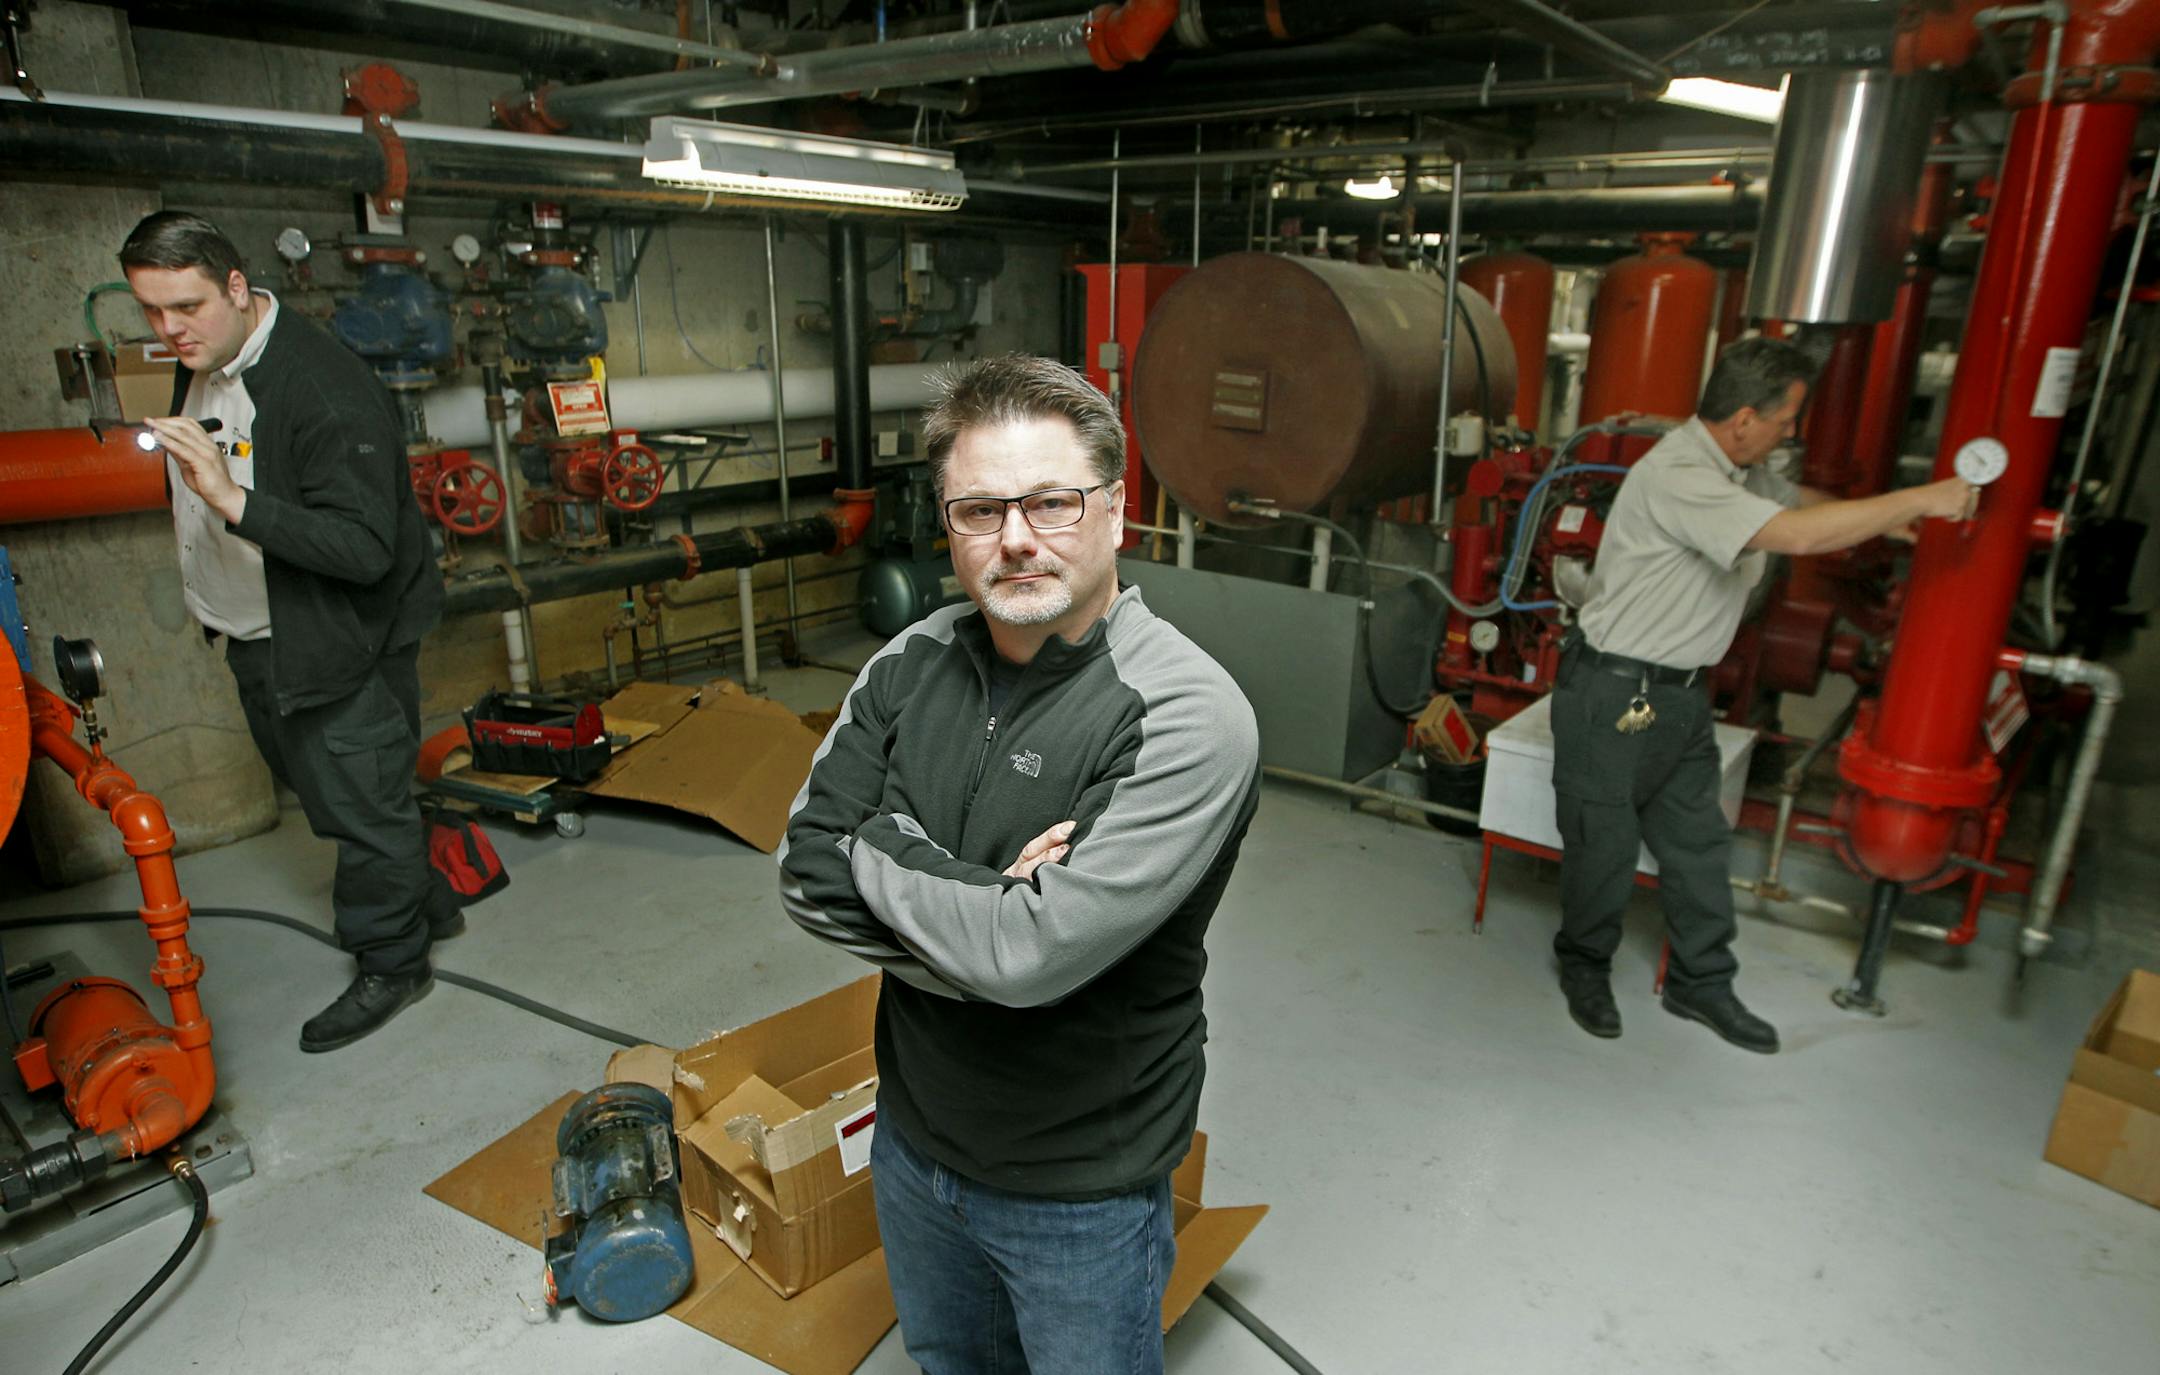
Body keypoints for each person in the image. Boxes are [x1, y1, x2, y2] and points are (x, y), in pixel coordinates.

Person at [779, 354, 1260, 1374]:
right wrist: (991, 901)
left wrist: (883, 838)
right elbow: (806, 872)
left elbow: (1031, 959)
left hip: (1080, 1181)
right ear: (945, 525)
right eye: (979, 510)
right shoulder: (911, 660)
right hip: (911, 1141)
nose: (1016, 540)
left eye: (1052, 502)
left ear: (1117, 513)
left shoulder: (1184, 714)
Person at [1552, 336, 1978, 1054]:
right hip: (1615, 692)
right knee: (1605, 848)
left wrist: (1880, 514)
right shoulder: (1682, 475)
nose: (1792, 431)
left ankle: (1701, 981)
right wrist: (1922, 498)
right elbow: (1793, 534)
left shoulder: (1738, 467)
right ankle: (1584, 966)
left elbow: (1794, 499)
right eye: (1785, 419)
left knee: (1697, 847)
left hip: (1681, 699)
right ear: (1744, 418)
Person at [120, 210, 450, 1053]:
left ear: (237, 286)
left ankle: (395, 959)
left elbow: (367, 547)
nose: (168, 330)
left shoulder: (321, 388)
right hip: (260, 634)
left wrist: (232, 502)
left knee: (359, 801)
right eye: (151, 312)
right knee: (339, 790)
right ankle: (422, 898)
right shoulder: (209, 357)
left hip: (334, 639)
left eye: (185, 307)